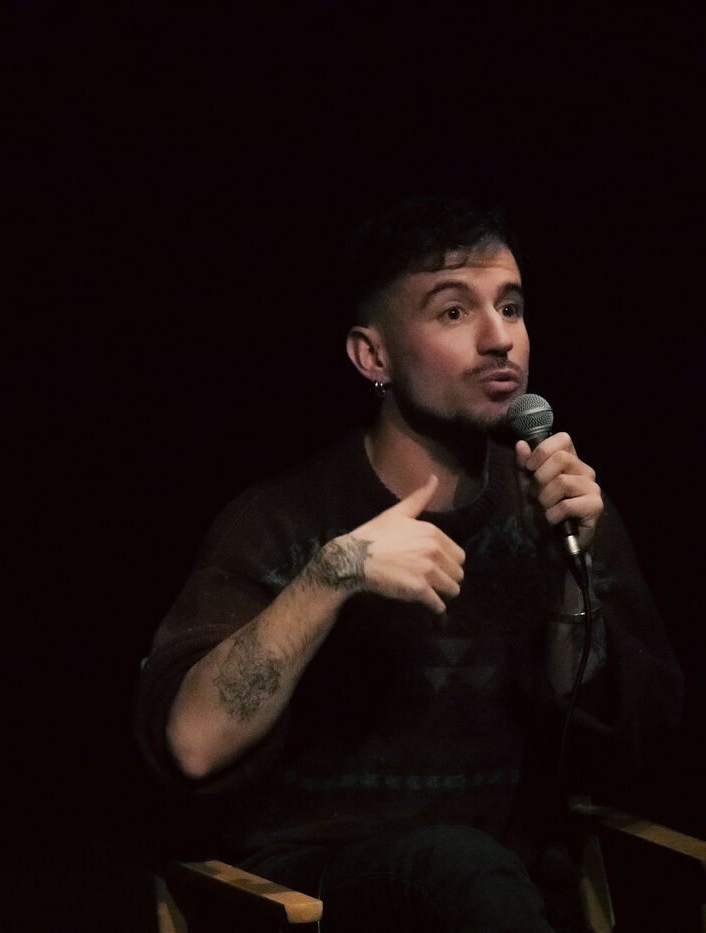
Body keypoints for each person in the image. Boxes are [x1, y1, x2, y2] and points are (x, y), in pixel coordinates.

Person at [135, 197, 684, 932]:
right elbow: (193, 744)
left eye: (511, 307)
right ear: (373, 356)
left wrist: (566, 572)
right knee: (455, 866)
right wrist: (335, 573)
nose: (500, 339)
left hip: (505, 898)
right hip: (324, 894)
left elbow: (627, 754)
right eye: (454, 312)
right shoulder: (282, 520)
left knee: (478, 874)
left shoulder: (561, 507)